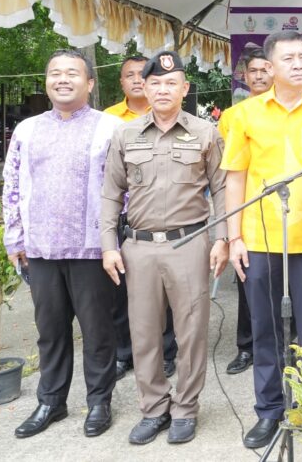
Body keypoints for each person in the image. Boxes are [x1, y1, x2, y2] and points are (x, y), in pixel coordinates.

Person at [222, 31, 302, 450]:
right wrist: (233, 237)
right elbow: (235, 178)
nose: (298, 64)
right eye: (289, 58)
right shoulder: (245, 114)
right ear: (270, 67)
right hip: (260, 239)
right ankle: (269, 410)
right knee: (266, 329)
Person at [100, 51, 228, 445]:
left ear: (185, 89)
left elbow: (222, 189)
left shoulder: (206, 133)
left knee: (191, 332)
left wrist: (223, 238)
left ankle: (186, 408)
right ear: (144, 86)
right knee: (144, 334)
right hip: (139, 247)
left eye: (171, 83)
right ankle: (154, 408)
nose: (162, 89)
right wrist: (108, 246)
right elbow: (110, 193)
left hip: (189, 243)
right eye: (154, 82)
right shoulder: (125, 135)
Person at [2, 49, 121, 439]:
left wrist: (115, 241)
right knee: (50, 330)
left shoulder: (111, 128)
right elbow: (12, 186)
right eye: (56, 73)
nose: (63, 79)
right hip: (41, 249)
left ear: (89, 83)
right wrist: (14, 238)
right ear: (47, 82)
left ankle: (99, 401)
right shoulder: (27, 130)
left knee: (97, 330)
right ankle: (51, 401)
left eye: (72, 73)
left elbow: (124, 188)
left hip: (93, 249)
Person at [104, 54, 178, 381]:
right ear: (122, 82)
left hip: (165, 221)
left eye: (141, 75)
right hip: (124, 220)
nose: (136, 80)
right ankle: (125, 352)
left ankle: (166, 351)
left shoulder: (171, 115)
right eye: (130, 75)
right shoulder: (108, 120)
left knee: (167, 293)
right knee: (122, 292)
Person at [217, 46, 273, 375]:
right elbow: (227, 172)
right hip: (248, 213)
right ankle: (247, 346)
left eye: (266, 69)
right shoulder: (232, 116)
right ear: (245, 76)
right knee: (247, 283)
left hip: (285, 212)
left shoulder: (288, 112)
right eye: (254, 70)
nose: (260, 75)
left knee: (288, 287)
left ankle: (289, 344)